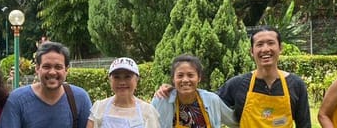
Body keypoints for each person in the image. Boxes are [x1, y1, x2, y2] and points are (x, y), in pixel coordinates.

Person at [155, 26, 311, 127]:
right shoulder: (238, 84)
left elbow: (305, 125)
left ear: (280, 48)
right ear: (251, 51)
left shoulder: (295, 84)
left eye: (271, 43)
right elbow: (205, 102)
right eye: (259, 44)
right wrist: (174, 89)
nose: (265, 49)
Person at [0, 41, 92, 128]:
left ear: (66, 70)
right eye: (46, 66)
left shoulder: (79, 98)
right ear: (37, 68)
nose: (52, 72)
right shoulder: (18, 100)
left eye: (58, 67)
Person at [151, 55, 236, 128]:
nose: (185, 80)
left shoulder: (212, 100)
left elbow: (234, 121)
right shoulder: (161, 100)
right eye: (180, 75)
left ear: (199, 78)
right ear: (173, 79)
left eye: (190, 75)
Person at [87, 57, 160, 128]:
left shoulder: (148, 111)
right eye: (116, 77)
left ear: (136, 79)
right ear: (110, 80)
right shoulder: (99, 108)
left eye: (127, 77)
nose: (122, 82)